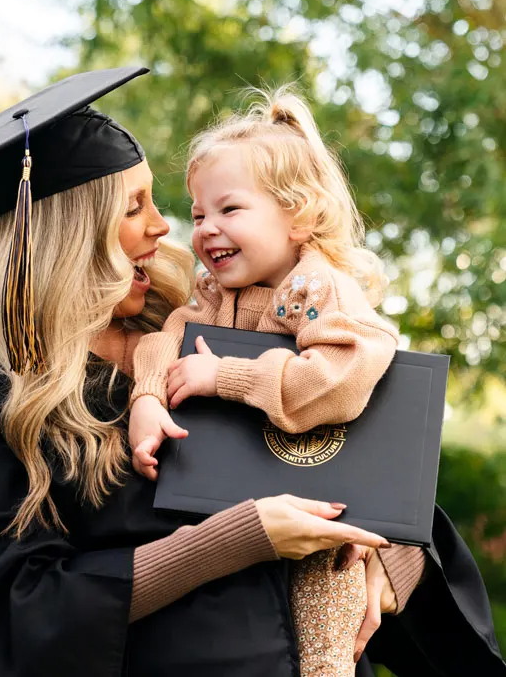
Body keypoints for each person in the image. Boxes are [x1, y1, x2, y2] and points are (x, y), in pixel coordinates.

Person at [0, 67, 506, 676]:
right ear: (74, 233)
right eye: (136, 207)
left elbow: (374, 477)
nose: (165, 228)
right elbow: (14, 616)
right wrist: (233, 541)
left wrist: (385, 560)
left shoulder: (219, 336)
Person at [127, 85, 399, 674]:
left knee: (327, 653)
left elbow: (339, 377)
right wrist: (148, 396)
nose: (205, 230)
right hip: (239, 507)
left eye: (230, 210)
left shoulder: (315, 290)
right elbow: (164, 341)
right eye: (198, 215)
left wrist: (226, 376)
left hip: (323, 516)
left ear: (298, 214)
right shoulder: (211, 293)